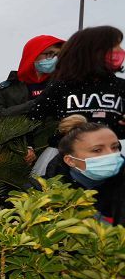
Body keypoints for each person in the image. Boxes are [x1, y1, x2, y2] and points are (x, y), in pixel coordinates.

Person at [31, 26, 125, 178]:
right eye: (113, 46)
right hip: (64, 162)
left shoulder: (120, 87)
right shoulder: (61, 85)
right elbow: (32, 120)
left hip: (108, 162)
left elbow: (118, 130)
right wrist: (29, 147)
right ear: (91, 51)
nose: (119, 51)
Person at [0, 35, 65, 165]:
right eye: (49, 54)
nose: (54, 59)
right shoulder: (6, 89)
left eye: (58, 55)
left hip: (59, 158)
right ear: (32, 55)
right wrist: (35, 104)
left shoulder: (65, 85)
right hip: (14, 161)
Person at [45, 115, 124, 224]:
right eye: (97, 150)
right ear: (70, 160)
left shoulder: (119, 185)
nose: (110, 155)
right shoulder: (41, 193)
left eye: (114, 147)